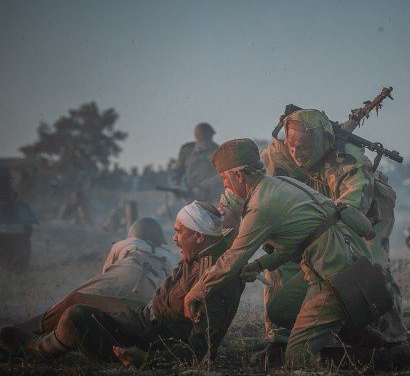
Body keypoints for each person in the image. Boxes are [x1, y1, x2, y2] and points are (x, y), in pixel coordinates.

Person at [184, 138, 403, 369]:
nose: (226, 187)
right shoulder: (281, 183)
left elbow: (233, 258)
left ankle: (384, 359)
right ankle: (355, 333)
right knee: (281, 310)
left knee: (295, 359)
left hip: (333, 273)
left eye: (225, 180)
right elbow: (296, 244)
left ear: (239, 176)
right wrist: (259, 266)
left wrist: (197, 292)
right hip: (339, 259)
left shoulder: (261, 206)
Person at [0, 202, 245, 367]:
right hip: (143, 318)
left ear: (199, 236)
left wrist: (147, 358)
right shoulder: (200, 253)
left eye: (179, 232)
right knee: (79, 306)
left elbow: (201, 351)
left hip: (149, 337)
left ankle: (36, 348)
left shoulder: (213, 280)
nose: (173, 238)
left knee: (75, 315)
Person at [249, 108, 407, 359]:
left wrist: (310, 230)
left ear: (322, 142)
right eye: (292, 145)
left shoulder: (350, 161)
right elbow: (255, 184)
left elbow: (352, 212)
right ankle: (280, 340)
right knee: (281, 263)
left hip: (364, 218)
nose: (296, 153)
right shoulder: (279, 153)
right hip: (315, 213)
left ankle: (390, 342)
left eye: (304, 147)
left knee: (368, 268)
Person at [11, 217, 178, 335]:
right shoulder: (171, 257)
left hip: (126, 275)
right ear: (159, 239)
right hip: (150, 304)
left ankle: (19, 332)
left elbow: (107, 271)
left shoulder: (127, 244)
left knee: (74, 301)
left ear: (134, 233)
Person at [171, 122, 223, 204]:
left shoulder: (217, 151)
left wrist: (211, 181)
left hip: (212, 195)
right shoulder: (187, 150)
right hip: (190, 194)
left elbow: (223, 173)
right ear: (199, 140)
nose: (208, 143)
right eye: (204, 141)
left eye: (209, 139)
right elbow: (178, 170)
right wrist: (176, 185)